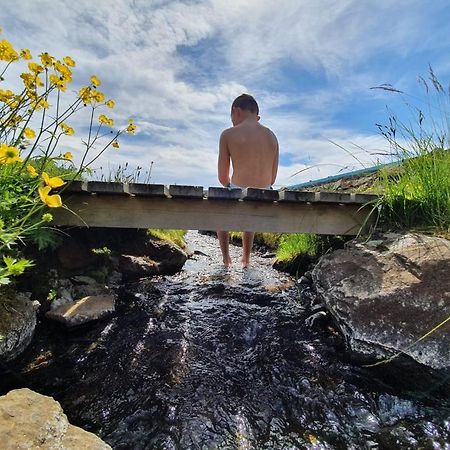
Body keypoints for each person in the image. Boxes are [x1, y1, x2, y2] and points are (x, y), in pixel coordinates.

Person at [217, 93, 279, 268]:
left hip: (239, 192)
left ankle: (226, 259)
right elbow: (273, 177)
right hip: (265, 193)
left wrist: (230, 185)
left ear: (236, 111)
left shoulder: (228, 134)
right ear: (257, 116)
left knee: (219, 215)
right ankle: (246, 259)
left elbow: (222, 178)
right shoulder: (272, 136)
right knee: (250, 212)